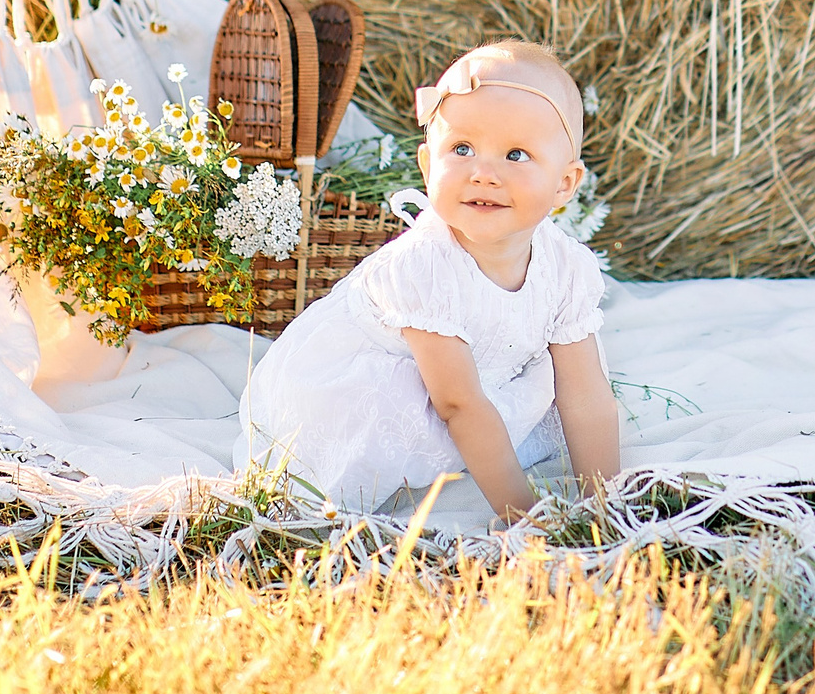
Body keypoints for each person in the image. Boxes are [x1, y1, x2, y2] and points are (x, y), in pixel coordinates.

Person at [232, 41, 619, 519]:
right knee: (424, 420)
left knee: (568, 369)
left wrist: (604, 501)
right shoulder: (425, 267)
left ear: (565, 183)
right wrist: (521, 514)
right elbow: (457, 404)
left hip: (471, 384)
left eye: (516, 155)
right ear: (427, 165)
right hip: (371, 397)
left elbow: (585, 395)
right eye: (461, 148)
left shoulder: (566, 267)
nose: (483, 173)